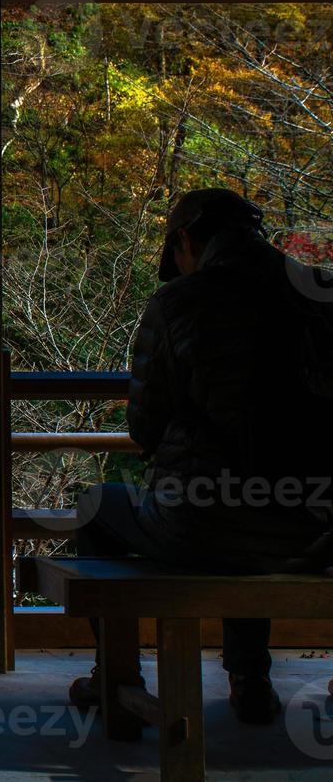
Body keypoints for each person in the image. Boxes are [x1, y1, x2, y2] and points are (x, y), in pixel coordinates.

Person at [69, 188, 333, 725]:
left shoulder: (180, 303)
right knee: (259, 515)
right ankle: (250, 679)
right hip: (316, 530)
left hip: (202, 524)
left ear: (186, 241)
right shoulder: (319, 294)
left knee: (101, 506)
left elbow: (145, 425)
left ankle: (117, 679)